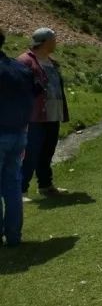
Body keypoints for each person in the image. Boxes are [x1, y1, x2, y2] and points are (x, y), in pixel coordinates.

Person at [18, 28, 69, 197]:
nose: (55, 43)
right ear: (44, 42)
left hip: (53, 113)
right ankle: (20, 190)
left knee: (48, 150)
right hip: (34, 115)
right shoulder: (25, 61)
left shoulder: (52, 61)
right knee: (30, 152)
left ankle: (45, 186)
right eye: (53, 40)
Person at [0, 28, 36, 246]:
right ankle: (14, 236)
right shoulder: (19, 68)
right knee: (12, 184)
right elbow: (37, 92)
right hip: (19, 132)